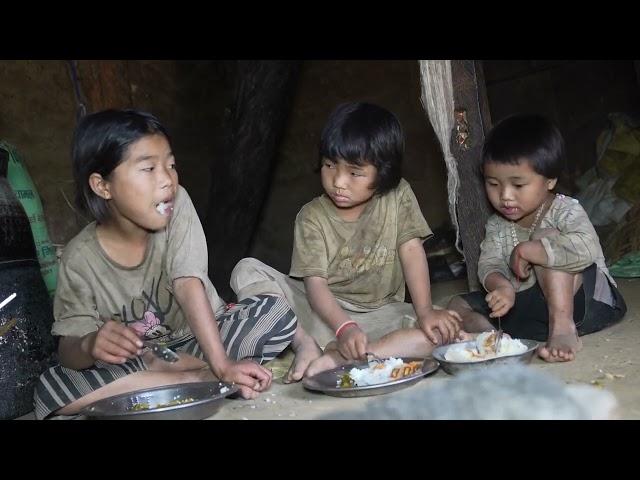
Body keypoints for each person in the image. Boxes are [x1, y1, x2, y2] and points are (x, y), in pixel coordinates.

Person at [33, 109, 298, 419]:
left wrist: (221, 362)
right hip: (141, 359)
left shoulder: (178, 204)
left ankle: (187, 375)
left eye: (171, 165)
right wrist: (91, 344)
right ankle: (197, 379)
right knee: (51, 385)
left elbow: (187, 284)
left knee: (276, 313)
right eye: (148, 168)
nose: (167, 180)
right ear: (102, 186)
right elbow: (69, 351)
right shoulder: (79, 259)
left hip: (201, 338)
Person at [231, 102, 464, 382]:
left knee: (446, 332)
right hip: (318, 313)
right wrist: (344, 327)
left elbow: (412, 250)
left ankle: (345, 357)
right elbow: (314, 286)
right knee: (246, 270)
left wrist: (425, 311)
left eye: (354, 172)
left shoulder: (398, 196)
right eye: (330, 165)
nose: (338, 181)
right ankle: (303, 344)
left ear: (384, 172)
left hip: (380, 314)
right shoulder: (311, 217)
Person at [447, 113, 627, 363]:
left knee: (548, 238)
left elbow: (586, 247)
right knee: (456, 305)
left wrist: (531, 249)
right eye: (493, 184)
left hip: (586, 302)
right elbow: (489, 264)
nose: (505, 196)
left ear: (550, 180)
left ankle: (563, 327)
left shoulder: (565, 210)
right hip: (531, 310)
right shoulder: (497, 224)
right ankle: (493, 340)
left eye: (518, 185)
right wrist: (502, 286)